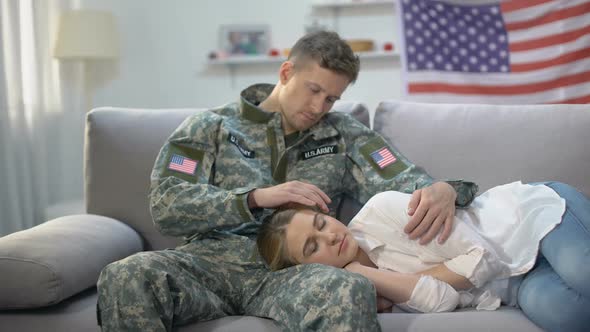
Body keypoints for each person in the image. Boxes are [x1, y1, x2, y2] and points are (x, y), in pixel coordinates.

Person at [95, 30, 479, 331]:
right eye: (314, 90)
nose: (319, 108)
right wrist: (256, 198)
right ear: (286, 72)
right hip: (209, 266)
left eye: (331, 98)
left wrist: (447, 189)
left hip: (294, 275)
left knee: (348, 286)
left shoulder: (343, 134)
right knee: (126, 274)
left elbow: (405, 181)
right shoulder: (210, 128)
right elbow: (167, 206)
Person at [257, 181, 590, 332]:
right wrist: (365, 273)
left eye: (321, 223)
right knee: (568, 316)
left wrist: (410, 281)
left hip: (531, 222)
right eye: (313, 247)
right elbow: (443, 301)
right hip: (517, 282)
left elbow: (482, 256)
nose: (330, 235)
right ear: (305, 271)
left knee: (583, 273)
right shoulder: (354, 290)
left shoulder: (383, 210)